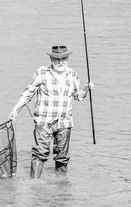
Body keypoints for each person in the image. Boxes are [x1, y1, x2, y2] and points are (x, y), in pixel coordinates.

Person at [8, 45, 94, 179]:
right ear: (51, 59)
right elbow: (28, 94)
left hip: (65, 122)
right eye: (56, 59)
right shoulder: (42, 73)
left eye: (63, 59)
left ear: (68, 58)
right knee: (40, 154)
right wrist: (15, 110)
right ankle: (34, 183)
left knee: (62, 157)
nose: (60, 62)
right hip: (44, 122)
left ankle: (61, 186)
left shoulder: (73, 74)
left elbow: (78, 96)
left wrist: (86, 89)